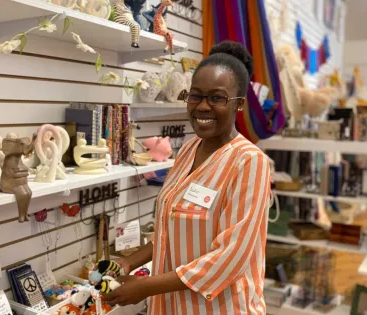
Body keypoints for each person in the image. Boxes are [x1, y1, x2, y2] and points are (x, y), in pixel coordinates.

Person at [104, 41, 272, 314]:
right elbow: (171, 230)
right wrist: (128, 262)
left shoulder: (249, 162)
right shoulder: (189, 150)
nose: (202, 107)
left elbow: (230, 258)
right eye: (195, 96)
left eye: (217, 98)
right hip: (171, 306)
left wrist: (144, 287)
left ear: (239, 104)